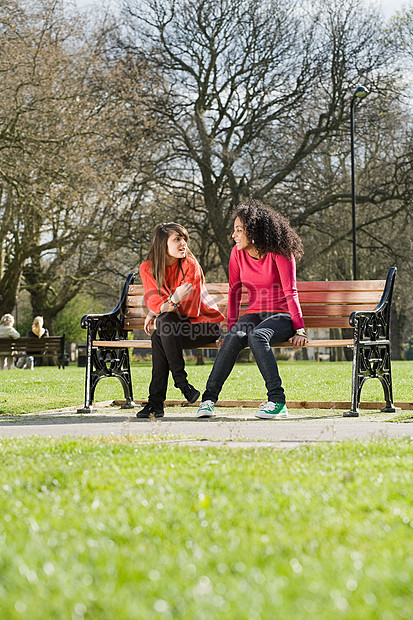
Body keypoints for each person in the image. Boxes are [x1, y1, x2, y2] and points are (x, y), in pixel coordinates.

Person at [196, 199, 308, 420]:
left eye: (239, 230)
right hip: (255, 314)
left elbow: (290, 292)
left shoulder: (280, 252)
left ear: (254, 231)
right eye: (234, 230)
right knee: (234, 337)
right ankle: (208, 400)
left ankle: (277, 401)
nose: (234, 235)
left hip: (281, 316)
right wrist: (229, 329)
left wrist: (300, 329)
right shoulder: (237, 253)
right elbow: (234, 292)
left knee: (257, 337)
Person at [137, 222, 224, 418]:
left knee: (164, 326)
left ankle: (169, 392)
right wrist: (164, 305)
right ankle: (171, 393)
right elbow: (155, 301)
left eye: (184, 238)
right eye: (177, 239)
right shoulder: (147, 268)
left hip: (204, 326)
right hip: (175, 328)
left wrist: (163, 306)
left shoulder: (190, 265)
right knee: (160, 334)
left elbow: (189, 309)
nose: (183, 243)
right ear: (162, 244)